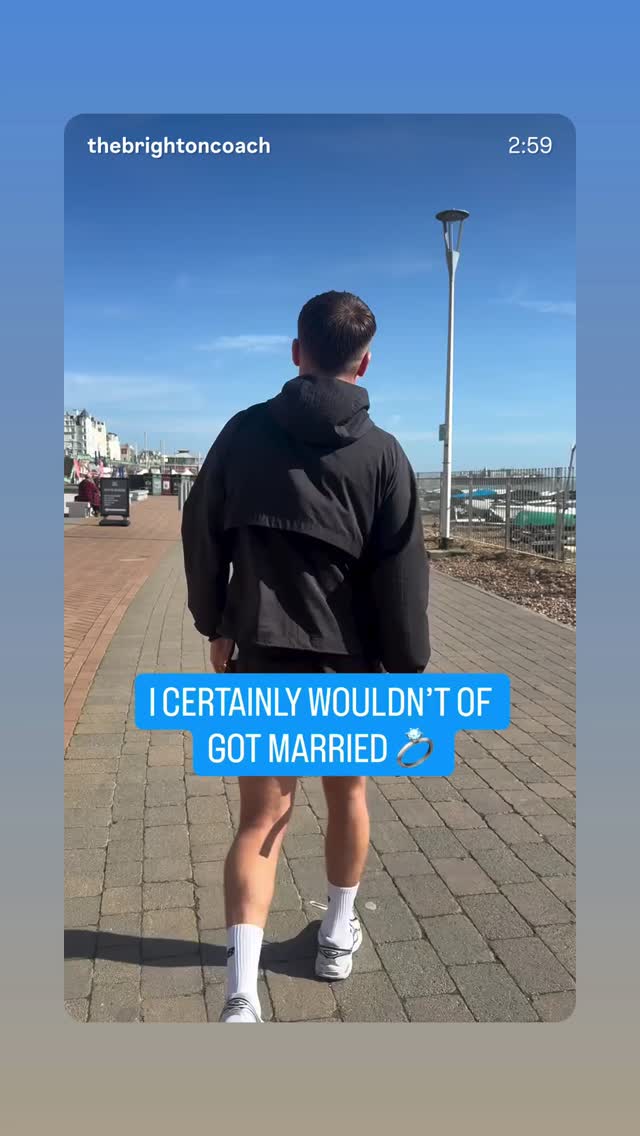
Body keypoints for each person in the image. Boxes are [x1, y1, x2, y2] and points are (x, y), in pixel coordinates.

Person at [182, 291, 430, 1023]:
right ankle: (334, 937)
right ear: (365, 362)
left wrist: (214, 623)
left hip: (260, 652)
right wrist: (405, 668)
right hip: (348, 666)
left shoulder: (243, 432)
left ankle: (239, 995)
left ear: (297, 353)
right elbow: (402, 575)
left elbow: (201, 532)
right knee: (347, 796)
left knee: (260, 820)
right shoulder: (385, 455)